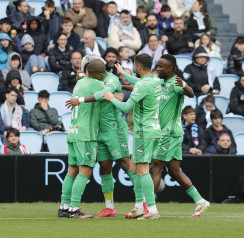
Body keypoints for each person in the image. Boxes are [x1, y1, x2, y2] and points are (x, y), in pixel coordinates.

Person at [65, 56, 138, 218]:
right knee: (105, 168)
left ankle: (143, 203)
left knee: (126, 163)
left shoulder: (111, 79)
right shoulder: (95, 78)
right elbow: (93, 81)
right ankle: (109, 208)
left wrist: (80, 100)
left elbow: (107, 92)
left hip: (114, 128)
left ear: (96, 73)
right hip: (99, 131)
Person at [148, 54, 210, 217]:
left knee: (155, 167)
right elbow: (139, 86)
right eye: (157, 66)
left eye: (161, 66)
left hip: (169, 133)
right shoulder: (160, 82)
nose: (158, 68)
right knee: (174, 171)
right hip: (171, 133)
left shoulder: (176, 82)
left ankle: (151, 208)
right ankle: (200, 201)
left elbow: (189, 93)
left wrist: (185, 86)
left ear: (171, 69)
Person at [102, 53, 162, 220]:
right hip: (155, 129)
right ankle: (138, 206)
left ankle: (151, 209)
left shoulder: (142, 86)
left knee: (142, 171)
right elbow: (139, 81)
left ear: (138, 66)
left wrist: (111, 97)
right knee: (134, 167)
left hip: (144, 132)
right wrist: (123, 74)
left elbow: (126, 106)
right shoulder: (155, 80)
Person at [57, 60, 105, 219]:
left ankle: (64, 207)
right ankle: (74, 209)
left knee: (72, 171)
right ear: (96, 74)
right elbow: (114, 94)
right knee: (85, 171)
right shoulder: (95, 84)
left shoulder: (80, 82)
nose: (104, 75)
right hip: (86, 134)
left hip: (73, 131)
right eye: (102, 73)